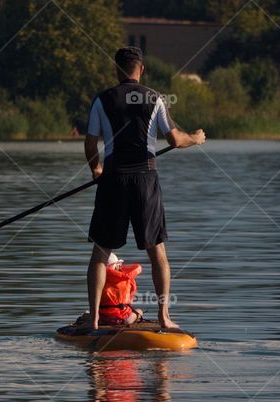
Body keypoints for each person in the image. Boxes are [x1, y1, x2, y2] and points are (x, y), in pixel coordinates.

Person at [82, 46, 205, 329]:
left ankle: (95, 322)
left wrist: (96, 170)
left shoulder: (102, 99)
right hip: (145, 181)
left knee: (101, 252)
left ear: (116, 69)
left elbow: (90, 144)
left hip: (113, 179)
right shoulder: (155, 98)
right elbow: (175, 140)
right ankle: (164, 318)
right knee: (157, 252)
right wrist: (196, 139)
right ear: (142, 69)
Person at [75, 253, 144, 327]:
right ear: (117, 265)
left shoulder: (98, 280)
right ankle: (128, 321)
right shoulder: (126, 279)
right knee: (139, 311)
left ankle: (89, 320)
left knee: (86, 315)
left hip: (102, 318)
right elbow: (130, 299)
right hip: (122, 318)